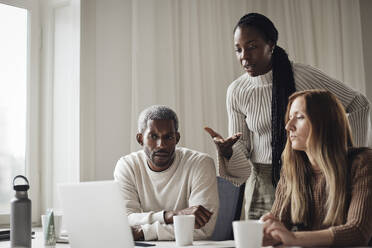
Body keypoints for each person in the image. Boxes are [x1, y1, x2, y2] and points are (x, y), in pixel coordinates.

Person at [205, 12, 371, 220]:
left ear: (271, 44)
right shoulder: (237, 91)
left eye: (252, 46)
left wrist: (347, 156)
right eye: (238, 50)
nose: (244, 57)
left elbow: (358, 104)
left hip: (308, 177)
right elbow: (244, 151)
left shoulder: (302, 76)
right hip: (262, 183)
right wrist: (228, 151)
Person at [261, 89, 372, 246]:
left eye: (299, 117)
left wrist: (293, 238)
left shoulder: (363, 163)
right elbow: (280, 226)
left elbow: (357, 232)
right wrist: (269, 231)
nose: (288, 126)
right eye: (290, 118)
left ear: (325, 123)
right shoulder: (292, 169)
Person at [114, 105, 218, 241]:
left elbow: (203, 229)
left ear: (177, 138)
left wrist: (144, 232)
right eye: (153, 136)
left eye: (168, 137)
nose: (161, 145)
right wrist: (170, 216)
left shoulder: (200, 163)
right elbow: (125, 220)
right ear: (140, 139)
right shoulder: (127, 166)